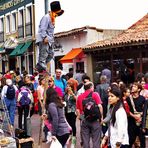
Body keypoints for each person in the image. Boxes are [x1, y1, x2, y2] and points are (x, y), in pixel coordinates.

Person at [35, 1, 64, 72]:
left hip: (50, 40)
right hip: (44, 39)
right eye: (57, 13)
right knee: (43, 55)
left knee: (51, 54)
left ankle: (40, 66)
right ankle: (42, 68)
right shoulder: (46, 17)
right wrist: (44, 37)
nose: (57, 15)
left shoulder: (52, 18)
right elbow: (42, 28)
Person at [76, 81, 103, 148]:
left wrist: (81, 118)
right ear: (91, 87)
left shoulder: (79, 97)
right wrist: (101, 117)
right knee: (96, 140)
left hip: (85, 120)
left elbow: (77, 110)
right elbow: (100, 106)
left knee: (85, 141)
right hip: (95, 120)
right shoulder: (95, 94)